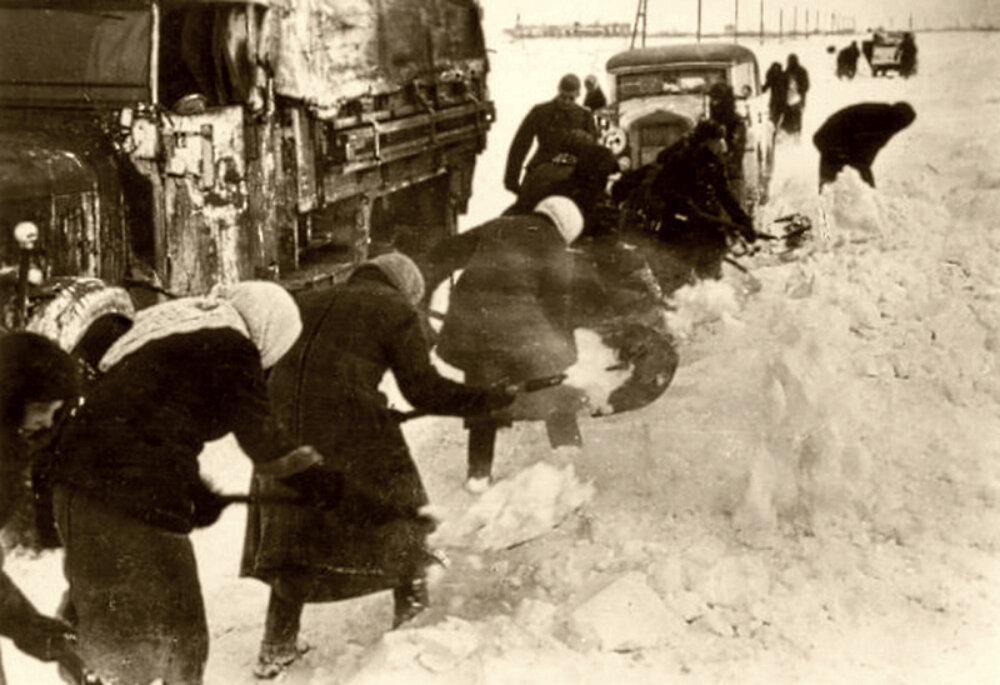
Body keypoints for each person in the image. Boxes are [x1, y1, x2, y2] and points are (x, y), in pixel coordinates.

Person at [43, 281, 340, 685]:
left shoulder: (171, 328)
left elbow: (142, 417)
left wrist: (193, 491)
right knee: (179, 638)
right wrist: (320, 480)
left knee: (109, 630)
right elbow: (265, 443)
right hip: (133, 505)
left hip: (73, 494)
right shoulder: (234, 345)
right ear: (267, 331)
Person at [240, 253, 515, 678]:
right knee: (405, 513)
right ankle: (413, 623)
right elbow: (423, 390)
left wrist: (362, 396)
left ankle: (276, 645)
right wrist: (486, 398)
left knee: (293, 527)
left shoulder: (311, 299)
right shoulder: (395, 308)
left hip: (276, 423)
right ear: (405, 289)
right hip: (343, 424)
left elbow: (296, 367)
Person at [425, 197, 599, 492]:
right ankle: (569, 458)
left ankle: (478, 474)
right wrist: (565, 360)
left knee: (483, 391)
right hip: (517, 324)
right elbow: (558, 311)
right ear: (565, 230)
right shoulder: (557, 248)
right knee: (555, 389)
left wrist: (428, 293)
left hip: (471, 323)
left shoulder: (500, 225)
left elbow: (444, 252)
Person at [0, 332, 91, 684]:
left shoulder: (11, 445)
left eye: (56, 410)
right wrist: (38, 632)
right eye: (42, 408)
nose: (47, 422)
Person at [622, 121, 756, 294]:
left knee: (711, 283)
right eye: (716, 141)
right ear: (706, 141)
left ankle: (711, 313)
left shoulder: (715, 163)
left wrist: (743, 221)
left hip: (708, 230)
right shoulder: (681, 159)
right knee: (678, 286)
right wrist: (686, 205)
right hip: (680, 230)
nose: (719, 146)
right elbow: (661, 188)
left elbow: (724, 195)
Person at [503, 73, 598, 197]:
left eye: (571, 98)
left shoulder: (585, 116)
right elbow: (520, 145)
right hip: (542, 168)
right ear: (558, 91)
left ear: (578, 95)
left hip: (573, 173)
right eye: (563, 97)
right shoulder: (540, 112)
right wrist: (512, 180)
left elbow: (594, 149)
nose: (566, 102)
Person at [812, 101, 916, 190]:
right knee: (833, 189)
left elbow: (870, 149)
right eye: (903, 125)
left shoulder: (886, 118)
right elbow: (867, 147)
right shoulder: (881, 119)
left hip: (834, 142)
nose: (901, 128)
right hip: (831, 141)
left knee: (859, 187)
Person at [707, 82, 747, 201]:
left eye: (716, 99)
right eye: (712, 99)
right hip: (710, 177)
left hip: (730, 176)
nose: (713, 103)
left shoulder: (737, 122)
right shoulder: (709, 123)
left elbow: (736, 150)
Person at [781, 54, 810, 136]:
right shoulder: (800, 71)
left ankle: (793, 136)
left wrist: (798, 90)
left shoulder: (789, 71)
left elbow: (806, 86)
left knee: (793, 119)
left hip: (795, 100)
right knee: (795, 119)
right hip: (795, 101)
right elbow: (806, 86)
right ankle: (794, 136)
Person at [761, 62, 787, 129]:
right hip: (782, 102)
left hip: (775, 103)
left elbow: (765, 88)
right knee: (778, 121)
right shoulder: (783, 76)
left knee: (774, 121)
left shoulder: (773, 77)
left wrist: (760, 89)